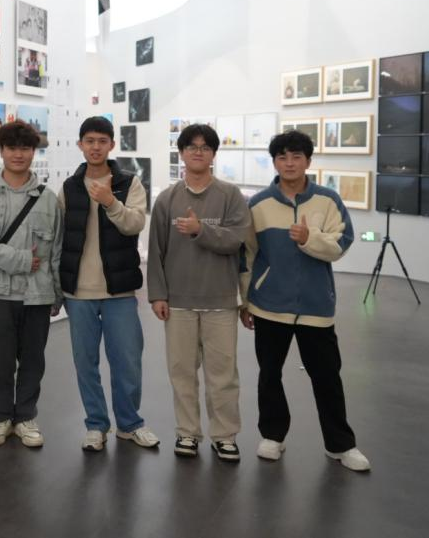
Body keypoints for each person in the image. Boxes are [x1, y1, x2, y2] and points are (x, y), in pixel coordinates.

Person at [239, 130, 370, 472]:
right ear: (274, 162)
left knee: (327, 378)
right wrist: (245, 300)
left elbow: (341, 243)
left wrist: (309, 238)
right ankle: (272, 436)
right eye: (282, 157)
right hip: (269, 305)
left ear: (308, 161)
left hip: (316, 307)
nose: (289, 163)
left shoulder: (327, 200)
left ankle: (341, 445)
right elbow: (247, 255)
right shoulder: (258, 204)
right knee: (269, 375)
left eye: (296, 156)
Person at [148, 124, 251, 462]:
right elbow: (156, 251)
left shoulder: (230, 196)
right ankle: (187, 433)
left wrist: (199, 230)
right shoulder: (167, 199)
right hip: (179, 303)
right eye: (191, 146)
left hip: (221, 301)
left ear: (213, 154)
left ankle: (225, 436)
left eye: (205, 147)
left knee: (223, 375)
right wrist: (158, 295)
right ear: (181, 152)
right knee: (182, 373)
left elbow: (236, 240)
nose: (198, 152)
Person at [58, 116, 157, 452]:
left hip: (120, 289)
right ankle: (96, 425)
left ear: (112, 144)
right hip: (79, 292)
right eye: (89, 141)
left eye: (102, 141)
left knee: (128, 361)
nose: (96, 147)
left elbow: (135, 224)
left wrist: (110, 202)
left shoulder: (129, 183)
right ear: (80, 145)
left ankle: (129, 424)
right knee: (85, 363)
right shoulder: (69, 187)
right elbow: (59, 237)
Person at [0, 121, 63, 448]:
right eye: (12, 148)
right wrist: (22, 260)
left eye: (25, 148)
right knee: (0, 362)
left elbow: (57, 251)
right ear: (1, 151)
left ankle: (25, 417)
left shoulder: (48, 199)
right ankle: (0, 418)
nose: (18, 154)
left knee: (34, 361)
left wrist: (57, 294)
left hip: (38, 294)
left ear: (33, 152)